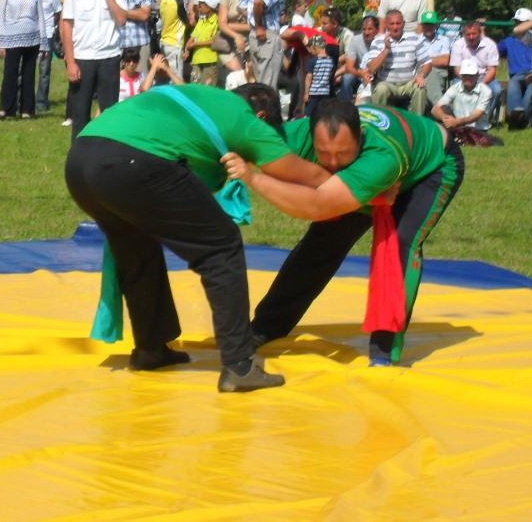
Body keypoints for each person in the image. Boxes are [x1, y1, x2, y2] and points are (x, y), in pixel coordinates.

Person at [64, 83, 330, 392]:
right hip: (131, 162)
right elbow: (294, 171)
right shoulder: (244, 118)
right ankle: (240, 365)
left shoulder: (200, 97)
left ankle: (151, 349)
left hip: (80, 162)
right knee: (221, 246)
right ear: (261, 115)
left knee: (136, 250)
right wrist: (344, 183)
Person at [224, 99, 464, 366]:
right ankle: (264, 328)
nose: (334, 162)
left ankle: (385, 351)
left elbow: (318, 204)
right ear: (308, 133)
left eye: (343, 153)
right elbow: (237, 143)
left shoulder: (382, 155)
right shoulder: (295, 135)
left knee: (400, 244)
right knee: (319, 247)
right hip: (368, 180)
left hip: (429, 170)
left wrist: (255, 178)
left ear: (360, 138)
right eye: (323, 154)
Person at [60, 0, 127, 138]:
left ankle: (106, 157)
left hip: (109, 57)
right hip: (83, 58)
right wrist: (70, 62)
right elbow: (66, 26)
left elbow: (122, 19)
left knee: (109, 113)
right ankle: (79, 159)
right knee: (80, 113)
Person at [0, 0, 43, 119]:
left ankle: (27, 110)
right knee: (10, 74)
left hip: (32, 38)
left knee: (29, 75)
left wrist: (43, 43)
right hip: (11, 38)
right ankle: (6, 108)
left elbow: (40, 17)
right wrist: (0, 43)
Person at [362, 9, 432, 115]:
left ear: (403, 24)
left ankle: (416, 123)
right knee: (380, 90)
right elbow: (371, 68)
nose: (395, 27)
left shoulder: (414, 39)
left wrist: (421, 74)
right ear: (386, 25)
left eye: (398, 23)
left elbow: (427, 63)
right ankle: (381, 122)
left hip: (408, 83)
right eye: (392, 24)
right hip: (386, 83)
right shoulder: (378, 41)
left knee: (420, 88)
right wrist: (386, 50)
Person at [239, 0, 295, 89]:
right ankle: (266, 108)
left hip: (254, 36)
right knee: (268, 86)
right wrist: (259, 26)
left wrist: (253, 23)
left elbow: (241, 6)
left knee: (259, 82)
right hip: (266, 35)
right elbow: (258, 2)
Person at [112, 0, 154, 73]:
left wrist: (120, 11)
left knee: (141, 85)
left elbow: (144, 15)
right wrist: (135, 12)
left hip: (140, 43)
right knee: (118, 85)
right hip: (118, 44)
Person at [30, 0, 61, 114]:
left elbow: (57, 14)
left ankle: (41, 103)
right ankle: (24, 101)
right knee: (26, 70)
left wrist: (51, 29)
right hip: (29, 36)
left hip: (47, 36)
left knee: (44, 72)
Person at [432, 58, 492, 132]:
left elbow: (476, 115)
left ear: (477, 75)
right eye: (465, 75)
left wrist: (457, 122)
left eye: (471, 75)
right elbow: (435, 109)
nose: (468, 78)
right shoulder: (454, 88)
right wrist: (446, 119)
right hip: (457, 126)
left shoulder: (486, 91)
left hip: (478, 129)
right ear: (461, 75)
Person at [499, 7, 532, 128]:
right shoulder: (508, 40)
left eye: (521, 22)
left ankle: (520, 119)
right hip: (516, 75)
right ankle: (517, 117)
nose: (518, 25)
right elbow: (494, 50)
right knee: (512, 86)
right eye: (517, 22)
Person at [339, 14, 379, 102]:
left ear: (377, 30)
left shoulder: (381, 41)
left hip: (377, 74)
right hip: (358, 73)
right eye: (364, 29)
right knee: (346, 79)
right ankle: (346, 106)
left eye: (370, 29)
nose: (366, 32)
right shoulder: (355, 40)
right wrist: (360, 73)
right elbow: (349, 67)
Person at [119, 50, 183, 101]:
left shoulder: (173, 77)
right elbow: (144, 90)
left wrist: (167, 69)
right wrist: (154, 67)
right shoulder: (149, 79)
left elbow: (184, 88)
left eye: (162, 61)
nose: (131, 64)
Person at [185, 0, 219, 86]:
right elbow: (193, 36)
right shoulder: (201, 20)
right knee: (194, 87)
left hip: (210, 59)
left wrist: (195, 44)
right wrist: (187, 49)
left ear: (208, 7)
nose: (198, 6)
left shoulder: (217, 20)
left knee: (208, 90)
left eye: (201, 4)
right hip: (197, 59)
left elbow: (214, 40)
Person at [158, 0, 188, 78]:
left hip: (164, 42)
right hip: (175, 44)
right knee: (176, 77)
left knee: (164, 76)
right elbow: (187, 21)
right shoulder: (179, 3)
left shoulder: (163, 1)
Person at [303, 35, 335, 117]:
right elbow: (330, 76)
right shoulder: (331, 60)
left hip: (314, 93)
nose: (310, 51)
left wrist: (306, 93)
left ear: (315, 47)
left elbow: (308, 78)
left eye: (311, 48)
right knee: (323, 114)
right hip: (325, 92)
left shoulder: (312, 61)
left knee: (308, 114)